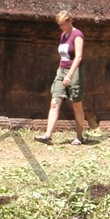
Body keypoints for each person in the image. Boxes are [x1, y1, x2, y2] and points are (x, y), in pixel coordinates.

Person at [42, 10, 93, 144]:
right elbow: (63, 56)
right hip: (62, 70)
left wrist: (70, 75)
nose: (62, 27)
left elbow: (79, 56)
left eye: (64, 24)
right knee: (54, 102)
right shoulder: (63, 35)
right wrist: (61, 73)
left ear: (70, 21)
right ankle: (47, 135)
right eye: (59, 25)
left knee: (76, 104)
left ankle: (79, 136)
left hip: (74, 71)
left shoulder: (77, 35)